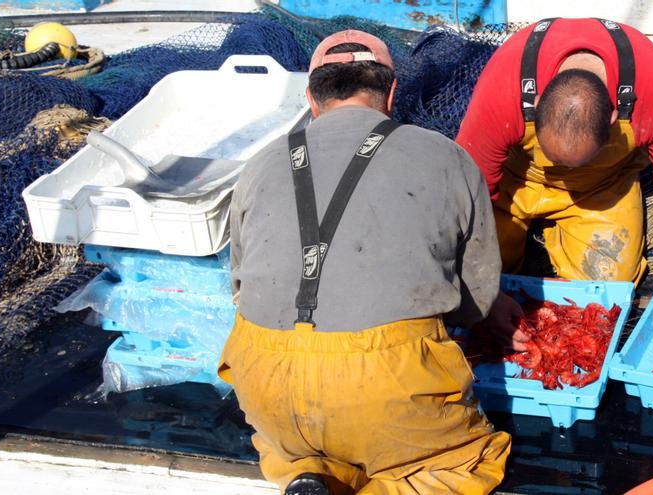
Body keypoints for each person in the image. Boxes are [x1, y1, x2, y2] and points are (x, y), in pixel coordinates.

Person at [218, 30, 511, 495]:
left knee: (298, 444)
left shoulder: (258, 164)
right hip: (382, 376)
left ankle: (310, 474)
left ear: (312, 100)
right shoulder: (446, 155)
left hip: (262, 374)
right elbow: (475, 297)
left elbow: (238, 282)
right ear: (391, 93)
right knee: (460, 465)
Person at [456, 18, 653, 347]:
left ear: (614, 120)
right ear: (537, 104)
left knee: (606, 294)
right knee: (472, 280)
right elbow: (465, 192)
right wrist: (482, 292)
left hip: (600, 188)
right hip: (517, 183)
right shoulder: (504, 84)